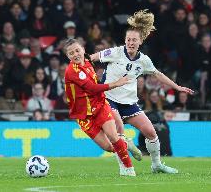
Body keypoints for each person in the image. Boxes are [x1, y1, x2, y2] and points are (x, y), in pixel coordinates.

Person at [90, 10, 194, 174]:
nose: (131, 42)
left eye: (134, 40)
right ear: (125, 40)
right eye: (128, 39)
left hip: (129, 103)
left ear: (140, 41)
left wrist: (177, 87)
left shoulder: (144, 60)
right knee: (118, 128)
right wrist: (79, 69)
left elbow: (157, 74)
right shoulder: (115, 52)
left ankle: (156, 165)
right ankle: (124, 167)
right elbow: (92, 58)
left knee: (151, 132)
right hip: (109, 98)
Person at [64, 39, 135, 176]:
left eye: (77, 50)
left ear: (83, 50)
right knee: (108, 147)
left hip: (100, 105)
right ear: (68, 56)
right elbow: (91, 88)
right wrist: (116, 83)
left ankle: (129, 169)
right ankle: (125, 143)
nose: (76, 54)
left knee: (113, 137)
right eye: (71, 53)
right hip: (83, 115)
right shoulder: (71, 71)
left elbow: (104, 58)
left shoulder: (88, 61)